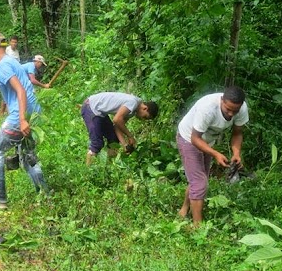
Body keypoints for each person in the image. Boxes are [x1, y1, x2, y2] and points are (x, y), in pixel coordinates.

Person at [0, 31, 47, 209]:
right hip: (33, 113)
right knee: (27, 157)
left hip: (21, 115)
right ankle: (46, 196)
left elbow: (20, 91)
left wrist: (22, 120)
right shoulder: (11, 62)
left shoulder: (4, 66)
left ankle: (0, 199)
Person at [176, 86, 249, 226]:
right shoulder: (207, 108)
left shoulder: (242, 108)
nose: (231, 113)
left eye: (235, 110)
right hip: (188, 138)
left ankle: (184, 210)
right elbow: (195, 138)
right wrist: (215, 154)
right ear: (222, 100)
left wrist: (236, 153)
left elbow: (237, 132)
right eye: (228, 109)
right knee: (200, 182)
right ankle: (198, 227)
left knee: (198, 179)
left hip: (207, 141)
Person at [81, 92, 159, 165]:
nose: (142, 119)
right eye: (145, 117)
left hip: (99, 112)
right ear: (145, 108)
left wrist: (124, 144)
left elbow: (117, 126)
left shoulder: (132, 110)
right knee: (97, 144)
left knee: (113, 140)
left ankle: (108, 167)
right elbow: (117, 119)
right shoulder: (133, 102)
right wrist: (130, 136)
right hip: (91, 107)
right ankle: (87, 173)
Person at [0, 37, 20, 114]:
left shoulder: (17, 52)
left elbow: (18, 63)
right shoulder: (7, 50)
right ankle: (3, 112)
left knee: (12, 92)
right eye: (13, 42)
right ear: (10, 42)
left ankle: (9, 111)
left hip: (15, 74)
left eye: (15, 42)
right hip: (7, 73)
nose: (14, 44)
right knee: (6, 91)